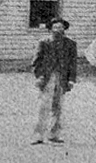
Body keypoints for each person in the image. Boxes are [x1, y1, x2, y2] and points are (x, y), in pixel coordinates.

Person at [31, 17, 77, 145]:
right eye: (55, 27)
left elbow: (73, 64)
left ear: (64, 29)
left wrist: (71, 79)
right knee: (43, 107)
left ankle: (54, 134)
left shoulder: (70, 44)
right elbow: (36, 62)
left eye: (61, 27)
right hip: (47, 78)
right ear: (51, 29)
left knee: (58, 107)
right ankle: (38, 135)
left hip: (62, 78)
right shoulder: (44, 42)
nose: (58, 30)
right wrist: (39, 77)